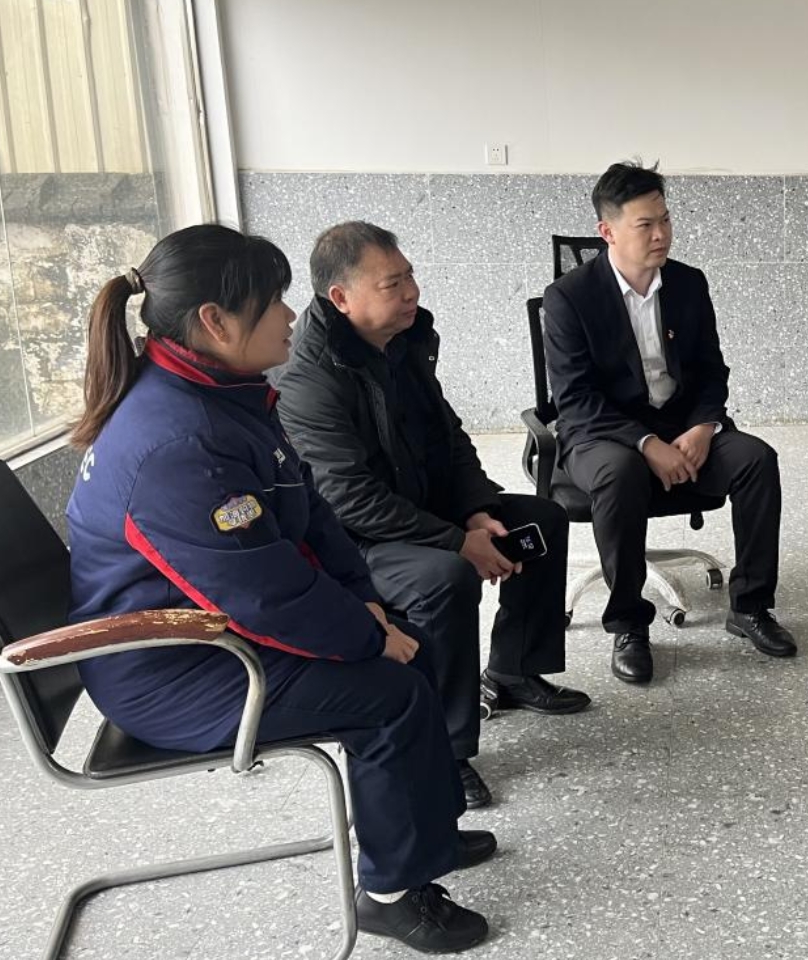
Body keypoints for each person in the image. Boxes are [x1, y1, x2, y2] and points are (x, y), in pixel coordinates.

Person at [65, 224, 494, 952]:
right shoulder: (178, 442)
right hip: (173, 665)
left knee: (408, 643)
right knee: (388, 695)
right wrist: (363, 634)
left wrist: (365, 601)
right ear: (215, 321)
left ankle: (426, 835)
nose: (291, 315)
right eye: (272, 302)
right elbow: (258, 593)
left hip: (213, 627)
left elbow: (308, 511)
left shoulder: (221, 396)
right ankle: (393, 893)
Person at [278, 222, 587, 810]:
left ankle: (515, 672)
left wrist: (475, 511)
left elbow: (449, 437)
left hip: (420, 505)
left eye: (410, 276)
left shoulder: (405, 339)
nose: (411, 292)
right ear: (341, 298)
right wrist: (456, 542)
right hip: (355, 539)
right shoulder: (308, 377)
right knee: (443, 579)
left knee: (540, 521)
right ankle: (446, 748)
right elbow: (347, 498)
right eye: (392, 284)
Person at [542, 160, 794, 684]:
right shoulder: (569, 298)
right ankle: (629, 625)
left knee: (756, 460)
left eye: (665, 220)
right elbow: (575, 399)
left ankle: (750, 607)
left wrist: (704, 427)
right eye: (645, 225)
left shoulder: (687, 283)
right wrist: (645, 441)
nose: (661, 235)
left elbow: (711, 370)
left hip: (684, 426)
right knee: (620, 473)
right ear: (607, 231)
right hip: (602, 433)